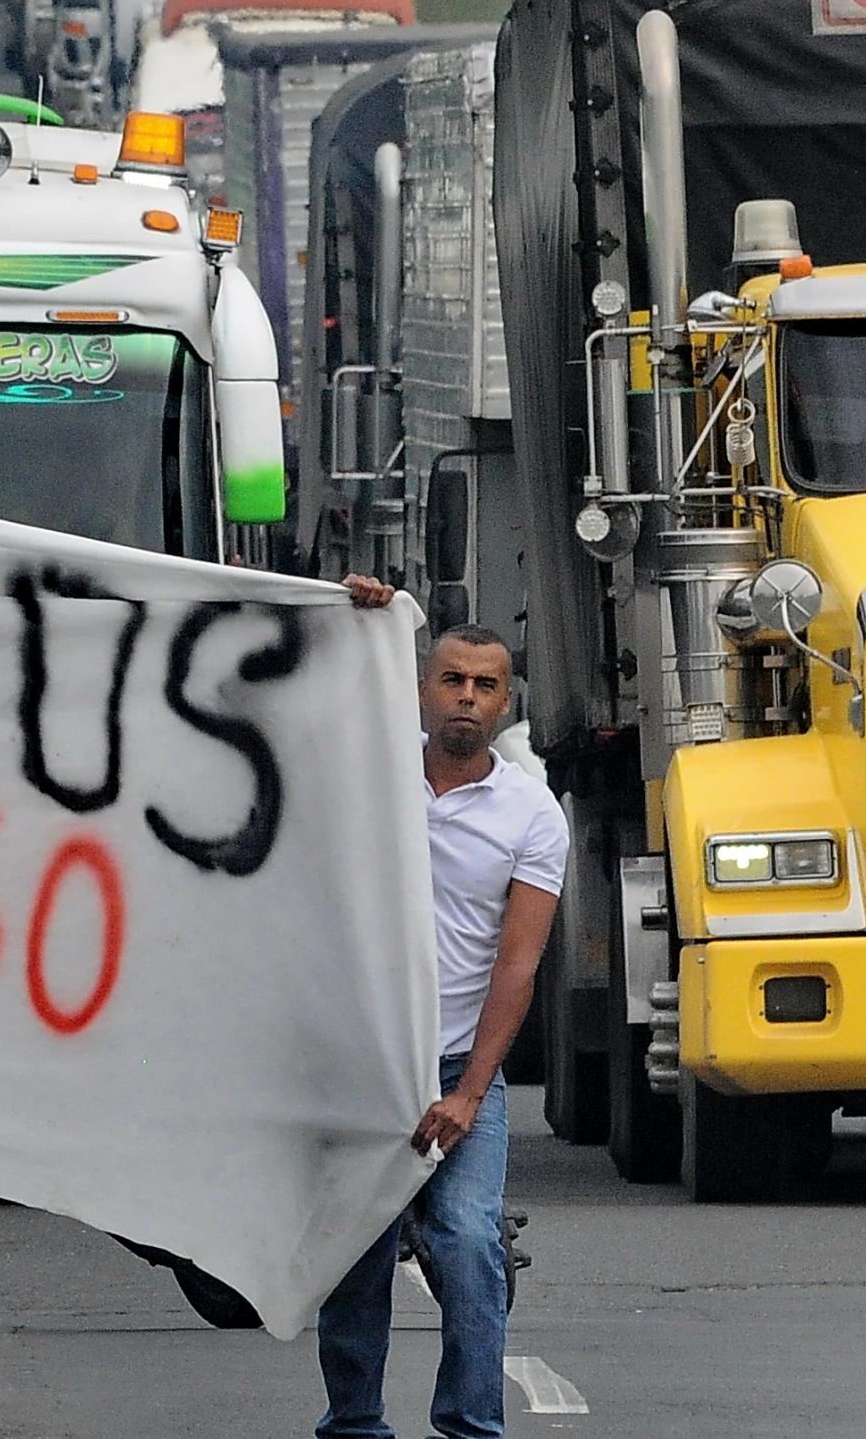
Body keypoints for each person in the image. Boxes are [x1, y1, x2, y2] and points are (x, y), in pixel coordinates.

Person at [317, 602, 566, 1439]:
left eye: (484, 685)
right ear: (421, 689)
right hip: (363, 1064)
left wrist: (467, 1093)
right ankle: (352, 1424)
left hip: (461, 1064)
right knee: (355, 1257)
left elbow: (517, 966)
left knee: (463, 1244)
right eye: (451, 679)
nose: (466, 696)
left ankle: (469, 1427)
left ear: (505, 703)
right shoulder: (366, 780)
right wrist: (350, 614)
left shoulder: (531, 815)